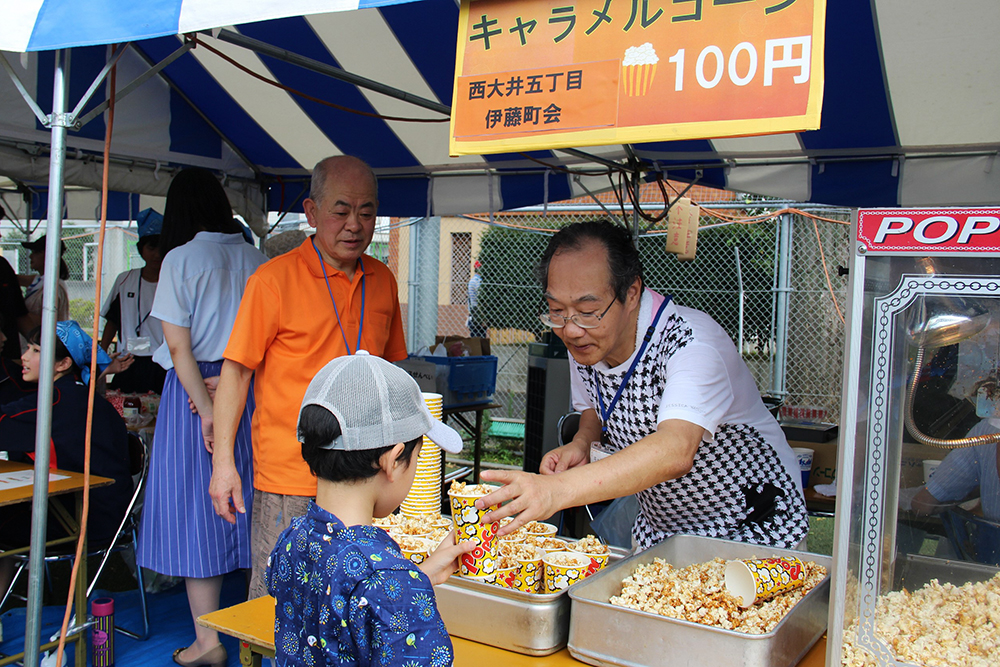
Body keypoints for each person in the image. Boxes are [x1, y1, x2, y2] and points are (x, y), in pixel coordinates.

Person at [477, 220, 809, 551]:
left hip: (753, 525)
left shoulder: (691, 343)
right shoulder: (584, 338)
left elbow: (676, 450)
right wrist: (582, 442)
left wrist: (558, 489)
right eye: (556, 310)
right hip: (664, 527)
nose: (571, 328)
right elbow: (594, 406)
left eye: (588, 310)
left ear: (631, 292)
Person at [209, 156, 407, 599]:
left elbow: (392, 373)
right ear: (312, 213)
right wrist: (223, 465)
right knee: (276, 607)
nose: (355, 224)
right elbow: (236, 374)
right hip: (289, 479)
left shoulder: (383, 280)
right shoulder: (272, 281)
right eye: (341, 211)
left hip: (363, 478)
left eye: (367, 211)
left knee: (350, 604)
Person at [135, 168, 266, 667]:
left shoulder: (180, 260)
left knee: (196, 509)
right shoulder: (259, 259)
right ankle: (258, 632)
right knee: (257, 501)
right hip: (252, 386)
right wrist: (235, 385)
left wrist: (209, 406)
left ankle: (207, 642)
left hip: (194, 394)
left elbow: (176, 346)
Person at [267, 352, 473, 667]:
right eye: (417, 456)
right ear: (392, 460)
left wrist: (417, 577)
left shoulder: (291, 540)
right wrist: (407, 585)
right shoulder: (388, 580)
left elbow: (339, 602)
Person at [0, 322, 131, 593]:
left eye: (36, 350)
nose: (24, 357)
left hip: (76, 521)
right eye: (28, 348)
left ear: (62, 364)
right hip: (114, 517)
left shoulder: (53, 403)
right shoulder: (92, 400)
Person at [100, 208, 167, 394]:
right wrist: (102, 353)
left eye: (161, 248)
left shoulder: (174, 282)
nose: (157, 254)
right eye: (151, 248)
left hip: (162, 361)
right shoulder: (125, 280)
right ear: (141, 250)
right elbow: (112, 319)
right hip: (128, 361)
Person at [0, 221, 35, 360]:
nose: (0, 235)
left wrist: (43, 346)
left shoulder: (2, 268)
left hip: (8, 362)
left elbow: (20, 315)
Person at [20, 236, 70, 323]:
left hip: (44, 336)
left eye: (36, 252)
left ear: (48, 255)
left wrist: (17, 312)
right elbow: (10, 278)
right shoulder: (40, 280)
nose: (30, 256)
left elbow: (47, 322)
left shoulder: (54, 286)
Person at [467, 260, 486, 338]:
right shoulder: (476, 281)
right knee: (478, 339)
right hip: (477, 315)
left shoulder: (476, 280)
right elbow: (477, 301)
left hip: (476, 314)